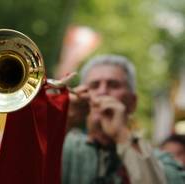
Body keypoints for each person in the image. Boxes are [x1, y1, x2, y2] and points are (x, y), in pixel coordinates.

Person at [62, 54, 167, 184]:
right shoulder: (67, 147)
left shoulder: (160, 161)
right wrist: (66, 120)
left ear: (132, 102)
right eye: (94, 85)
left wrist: (121, 134)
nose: (102, 92)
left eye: (113, 85)